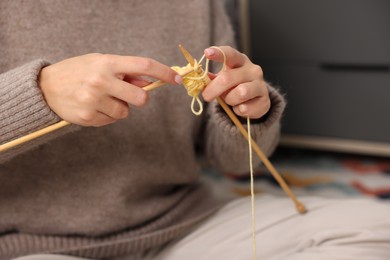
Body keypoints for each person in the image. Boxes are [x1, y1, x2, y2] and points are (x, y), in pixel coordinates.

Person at [1, 1, 390, 260]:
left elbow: (232, 159)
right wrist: (38, 94)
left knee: (378, 228)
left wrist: (246, 109)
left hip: (181, 227)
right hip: (32, 245)